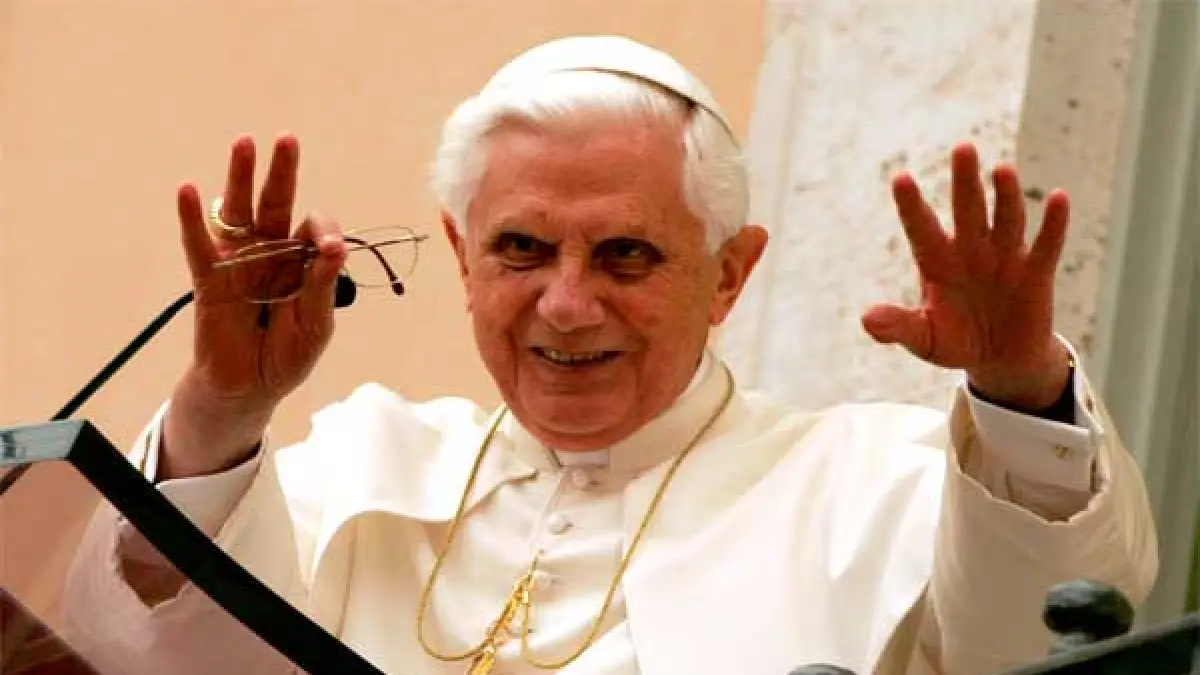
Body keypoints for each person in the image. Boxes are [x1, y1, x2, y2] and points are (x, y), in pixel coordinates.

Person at [64, 35, 1158, 675]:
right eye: (522, 249)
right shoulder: (362, 467)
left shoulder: (867, 486)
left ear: (728, 275)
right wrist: (221, 405)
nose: (568, 303)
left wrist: (1019, 389)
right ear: (461, 255)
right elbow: (143, 651)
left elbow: (1041, 633)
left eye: (626, 254)